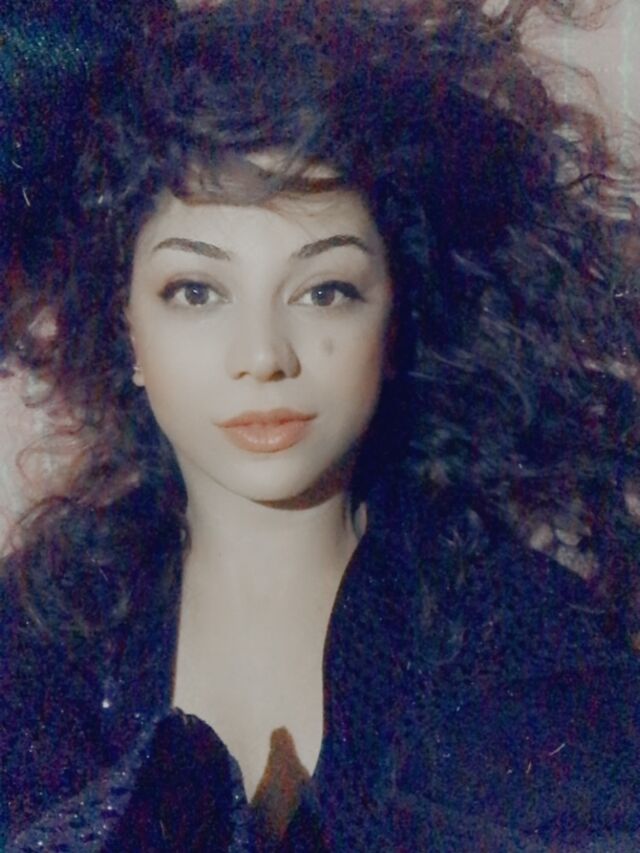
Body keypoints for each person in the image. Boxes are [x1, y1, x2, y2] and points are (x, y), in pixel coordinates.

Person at [1, 0, 639, 849]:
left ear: (393, 319)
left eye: (324, 290)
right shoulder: (37, 647)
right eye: (196, 291)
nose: (263, 355)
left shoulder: (528, 644)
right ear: (127, 330)